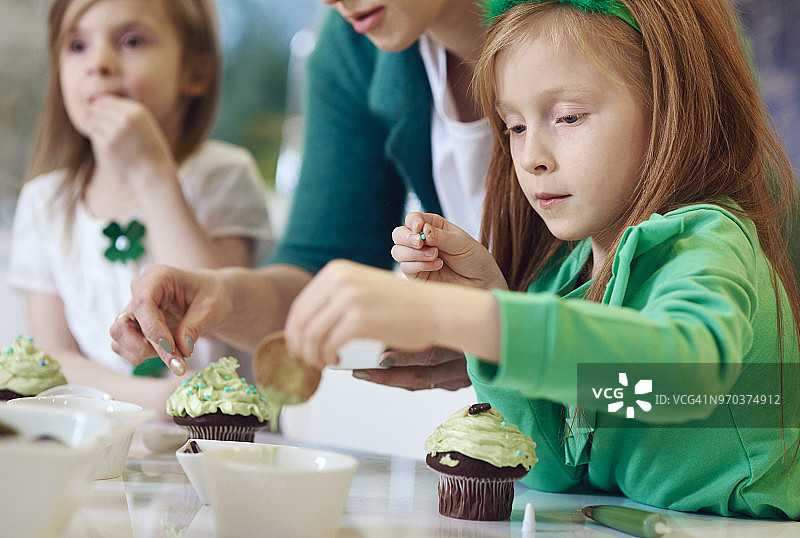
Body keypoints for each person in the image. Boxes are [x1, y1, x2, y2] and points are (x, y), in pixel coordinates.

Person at [279, 0, 800, 519]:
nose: (531, 157)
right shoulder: (568, 273)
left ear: (670, 109)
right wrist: (489, 307)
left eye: (568, 117)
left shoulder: (706, 241)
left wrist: (458, 317)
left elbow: (679, 386)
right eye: (514, 127)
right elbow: (547, 467)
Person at [111, 0, 490, 393]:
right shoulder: (353, 44)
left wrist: (492, 329)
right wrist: (225, 298)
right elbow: (319, 268)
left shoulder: (556, 28)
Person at [7, 0, 272, 412]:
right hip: (96, 443)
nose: (99, 63)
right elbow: (53, 357)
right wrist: (158, 401)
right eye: (77, 46)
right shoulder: (45, 203)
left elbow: (218, 313)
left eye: (131, 41)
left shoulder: (222, 175)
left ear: (195, 72)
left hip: (216, 453)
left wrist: (153, 174)